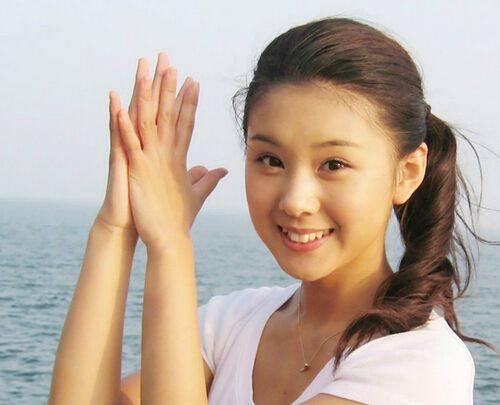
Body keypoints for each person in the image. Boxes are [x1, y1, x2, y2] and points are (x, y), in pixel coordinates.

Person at [48, 16, 498, 405]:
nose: (295, 200)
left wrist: (170, 245)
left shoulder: (421, 364)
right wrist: (115, 228)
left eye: (334, 165)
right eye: (271, 160)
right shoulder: (231, 324)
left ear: (407, 172)